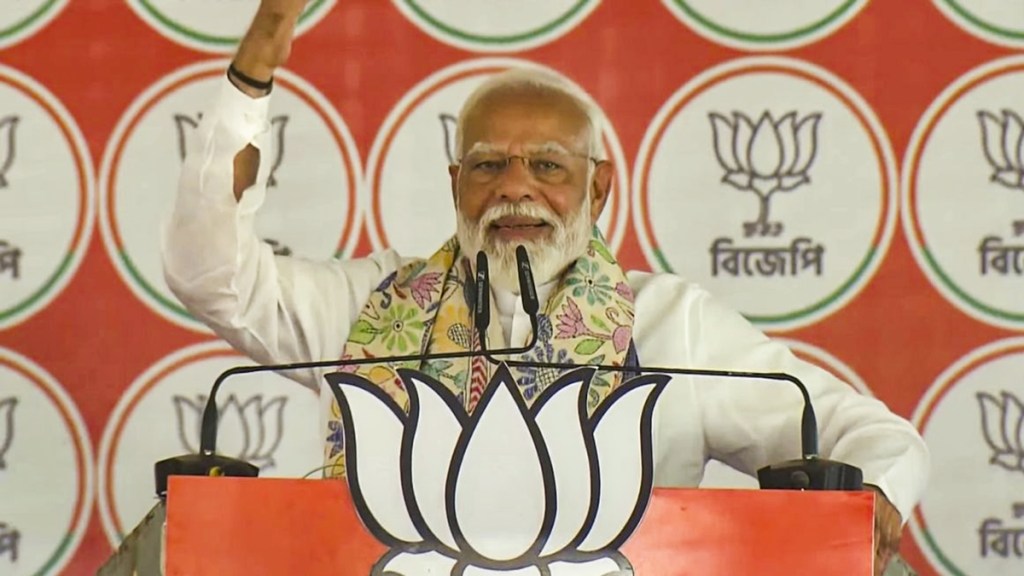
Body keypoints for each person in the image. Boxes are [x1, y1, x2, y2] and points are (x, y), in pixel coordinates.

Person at [161, 2, 928, 574]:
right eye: (490, 166)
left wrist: (880, 494)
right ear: (456, 183)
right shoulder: (371, 303)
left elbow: (873, 439)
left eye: (548, 167)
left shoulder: (669, 325)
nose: (516, 190)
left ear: (598, 188)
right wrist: (251, 77)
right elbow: (211, 274)